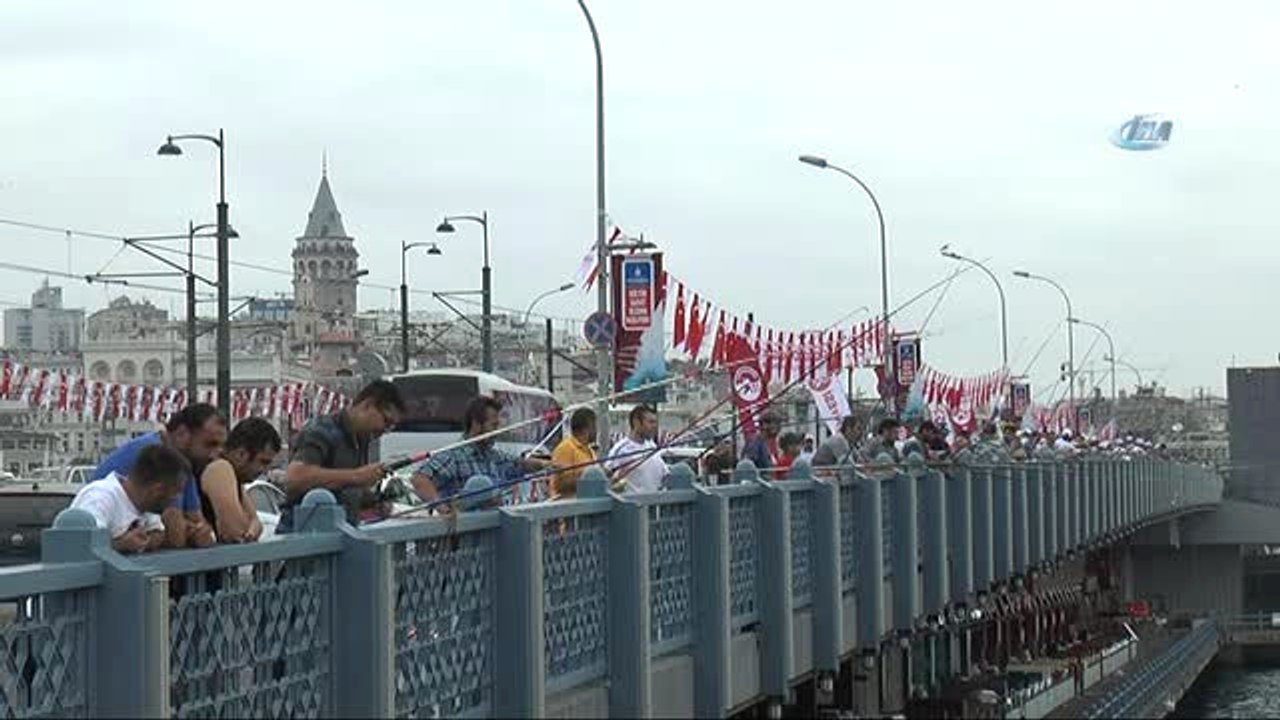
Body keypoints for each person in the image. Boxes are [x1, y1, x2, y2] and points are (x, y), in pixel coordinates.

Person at [94, 403, 225, 549]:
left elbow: (199, 525)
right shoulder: (158, 455)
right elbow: (176, 537)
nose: (216, 454)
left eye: (220, 446)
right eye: (210, 444)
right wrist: (190, 531)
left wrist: (201, 532)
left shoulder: (183, 465)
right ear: (182, 434)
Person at [281, 380, 404, 530]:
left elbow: (341, 490)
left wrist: (374, 501)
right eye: (386, 421)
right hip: (303, 540)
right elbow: (295, 478)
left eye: (391, 426)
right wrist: (357, 476)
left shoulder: (361, 439)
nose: (386, 430)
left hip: (338, 540)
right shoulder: (321, 430)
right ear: (368, 405)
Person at [412, 396, 551, 507]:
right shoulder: (453, 456)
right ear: (476, 425)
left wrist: (545, 465)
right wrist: (443, 508)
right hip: (465, 536)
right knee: (480, 483)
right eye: (493, 425)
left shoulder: (493, 456)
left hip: (493, 536)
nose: (497, 431)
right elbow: (419, 479)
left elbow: (520, 464)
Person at [71, 444, 189, 554]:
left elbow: (158, 532)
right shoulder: (100, 498)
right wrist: (120, 545)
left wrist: (146, 541)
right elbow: (81, 548)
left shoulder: (145, 505)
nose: (175, 499)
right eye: (175, 493)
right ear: (157, 490)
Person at [199, 417, 281, 543]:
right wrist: (248, 528)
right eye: (263, 462)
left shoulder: (235, 475)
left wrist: (251, 527)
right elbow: (236, 531)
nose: (265, 471)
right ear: (241, 454)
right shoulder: (220, 468)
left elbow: (256, 523)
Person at [605, 404, 670, 493]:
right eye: (651, 422)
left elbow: (665, 474)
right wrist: (617, 478)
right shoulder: (621, 448)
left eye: (655, 422)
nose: (655, 426)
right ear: (636, 422)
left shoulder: (652, 446)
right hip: (634, 505)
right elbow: (607, 477)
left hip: (655, 503)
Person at [549, 408, 597, 500]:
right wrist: (589, 476)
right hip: (567, 509)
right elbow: (562, 485)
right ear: (587, 427)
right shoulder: (565, 448)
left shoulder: (591, 451)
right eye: (594, 426)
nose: (596, 431)